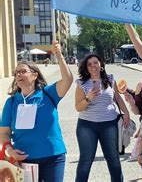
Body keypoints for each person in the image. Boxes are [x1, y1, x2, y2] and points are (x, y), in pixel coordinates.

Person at [0, 41, 73, 182]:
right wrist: (9, 150)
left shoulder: (48, 93)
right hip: (25, 159)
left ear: (34, 75)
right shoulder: (11, 102)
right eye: (16, 73)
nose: (18, 75)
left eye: (23, 71)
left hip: (54, 156)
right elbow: (4, 133)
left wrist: (59, 55)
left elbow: (68, 80)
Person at [74, 54, 131, 182]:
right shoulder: (82, 84)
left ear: (101, 64)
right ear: (86, 68)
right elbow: (78, 107)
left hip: (109, 124)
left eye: (96, 62)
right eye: (89, 64)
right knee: (86, 159)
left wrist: (126, 112)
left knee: (113, 159)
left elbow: (117, 98)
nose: (93, 66)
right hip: (87, 125)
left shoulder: (110, 80)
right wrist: (89, 98)